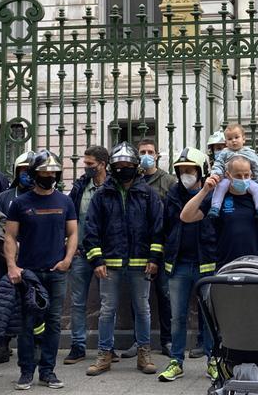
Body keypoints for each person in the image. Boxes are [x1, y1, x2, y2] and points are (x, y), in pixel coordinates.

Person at [82, 142, 163, 377]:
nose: (123, 168)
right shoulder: (102, 195)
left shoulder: (148, 194)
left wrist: (154, 257)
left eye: (128, 165)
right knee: (107, 310)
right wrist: (96, 261)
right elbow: (91, 230)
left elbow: (158, 228)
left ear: (136, 167)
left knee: (143, 309)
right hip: (110, 263)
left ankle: (143, 352)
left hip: (141, 263)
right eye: (118, 165)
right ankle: (105, 353)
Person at [4, 150, 78, 390]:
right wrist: (13, 266)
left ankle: (48, 371)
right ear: (34, 174)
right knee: (27, 322)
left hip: (56, 271)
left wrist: (67, 260)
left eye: (52, 172)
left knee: (54, 322)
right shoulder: (20, 203)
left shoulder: (65, 201)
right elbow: (10, 236)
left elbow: (73, 233)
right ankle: (26, 371)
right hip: (30, 274)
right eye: (44, 172)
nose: (49, 176)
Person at [157, 148, 218, 382]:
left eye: (190, 170)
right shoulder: (172, 194)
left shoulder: (213, 196)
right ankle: (176, 362)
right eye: (181, 171)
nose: (185, 175)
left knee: (211, 315)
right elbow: (165, 228)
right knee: (177, 316)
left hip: (205, 263)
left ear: (202, 170)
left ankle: (213, 360)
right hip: (179, 264)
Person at [180, 155, 258, 268]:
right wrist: (205, 190)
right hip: (225, 265)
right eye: (238, 175)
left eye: (246, 175)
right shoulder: (218, 197)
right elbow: (186, 216)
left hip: (254, 265)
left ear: (251, 175)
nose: (243, 179)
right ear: (228, 175)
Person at [0, 150, 35, 368]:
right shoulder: (4, 197)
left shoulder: (47, 195)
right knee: (2, 304)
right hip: (5, 259)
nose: (29, 175)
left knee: (34, 305)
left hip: (35, 260)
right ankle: (1, 346)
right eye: (25, 170)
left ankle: (36, 346)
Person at [64, 145, 109, 365]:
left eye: (91, 164)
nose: (87, 167)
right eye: (86, 163)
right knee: (77, 302)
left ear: (103, 164)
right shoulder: (81, 187)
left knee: (107, 302)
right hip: (81, 253)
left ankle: (106, 347)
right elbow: (70, 216)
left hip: (106, 255)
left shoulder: (112, 186)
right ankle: (78, 345)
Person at [138, 137, 176, 356]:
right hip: (139, 246)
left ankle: (167, 340)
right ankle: (139, 341)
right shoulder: (134, 180)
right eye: (142, 151)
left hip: (162, 245)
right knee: (139, 296)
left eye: (149, 151)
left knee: (164, 294)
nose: (146, 155)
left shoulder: (168, 181)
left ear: (157, 154)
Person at [205, 124, 258, 222]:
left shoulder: (249, 153)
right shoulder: (224, 153)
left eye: (237, 137)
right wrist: (216, 174)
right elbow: (218, 164)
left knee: (256, 188)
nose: (234, 140)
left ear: (243, 139)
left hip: (246, 179)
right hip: (228, 179)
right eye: (230, 139)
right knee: (220, 187)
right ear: (226, 142)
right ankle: (215, 208)